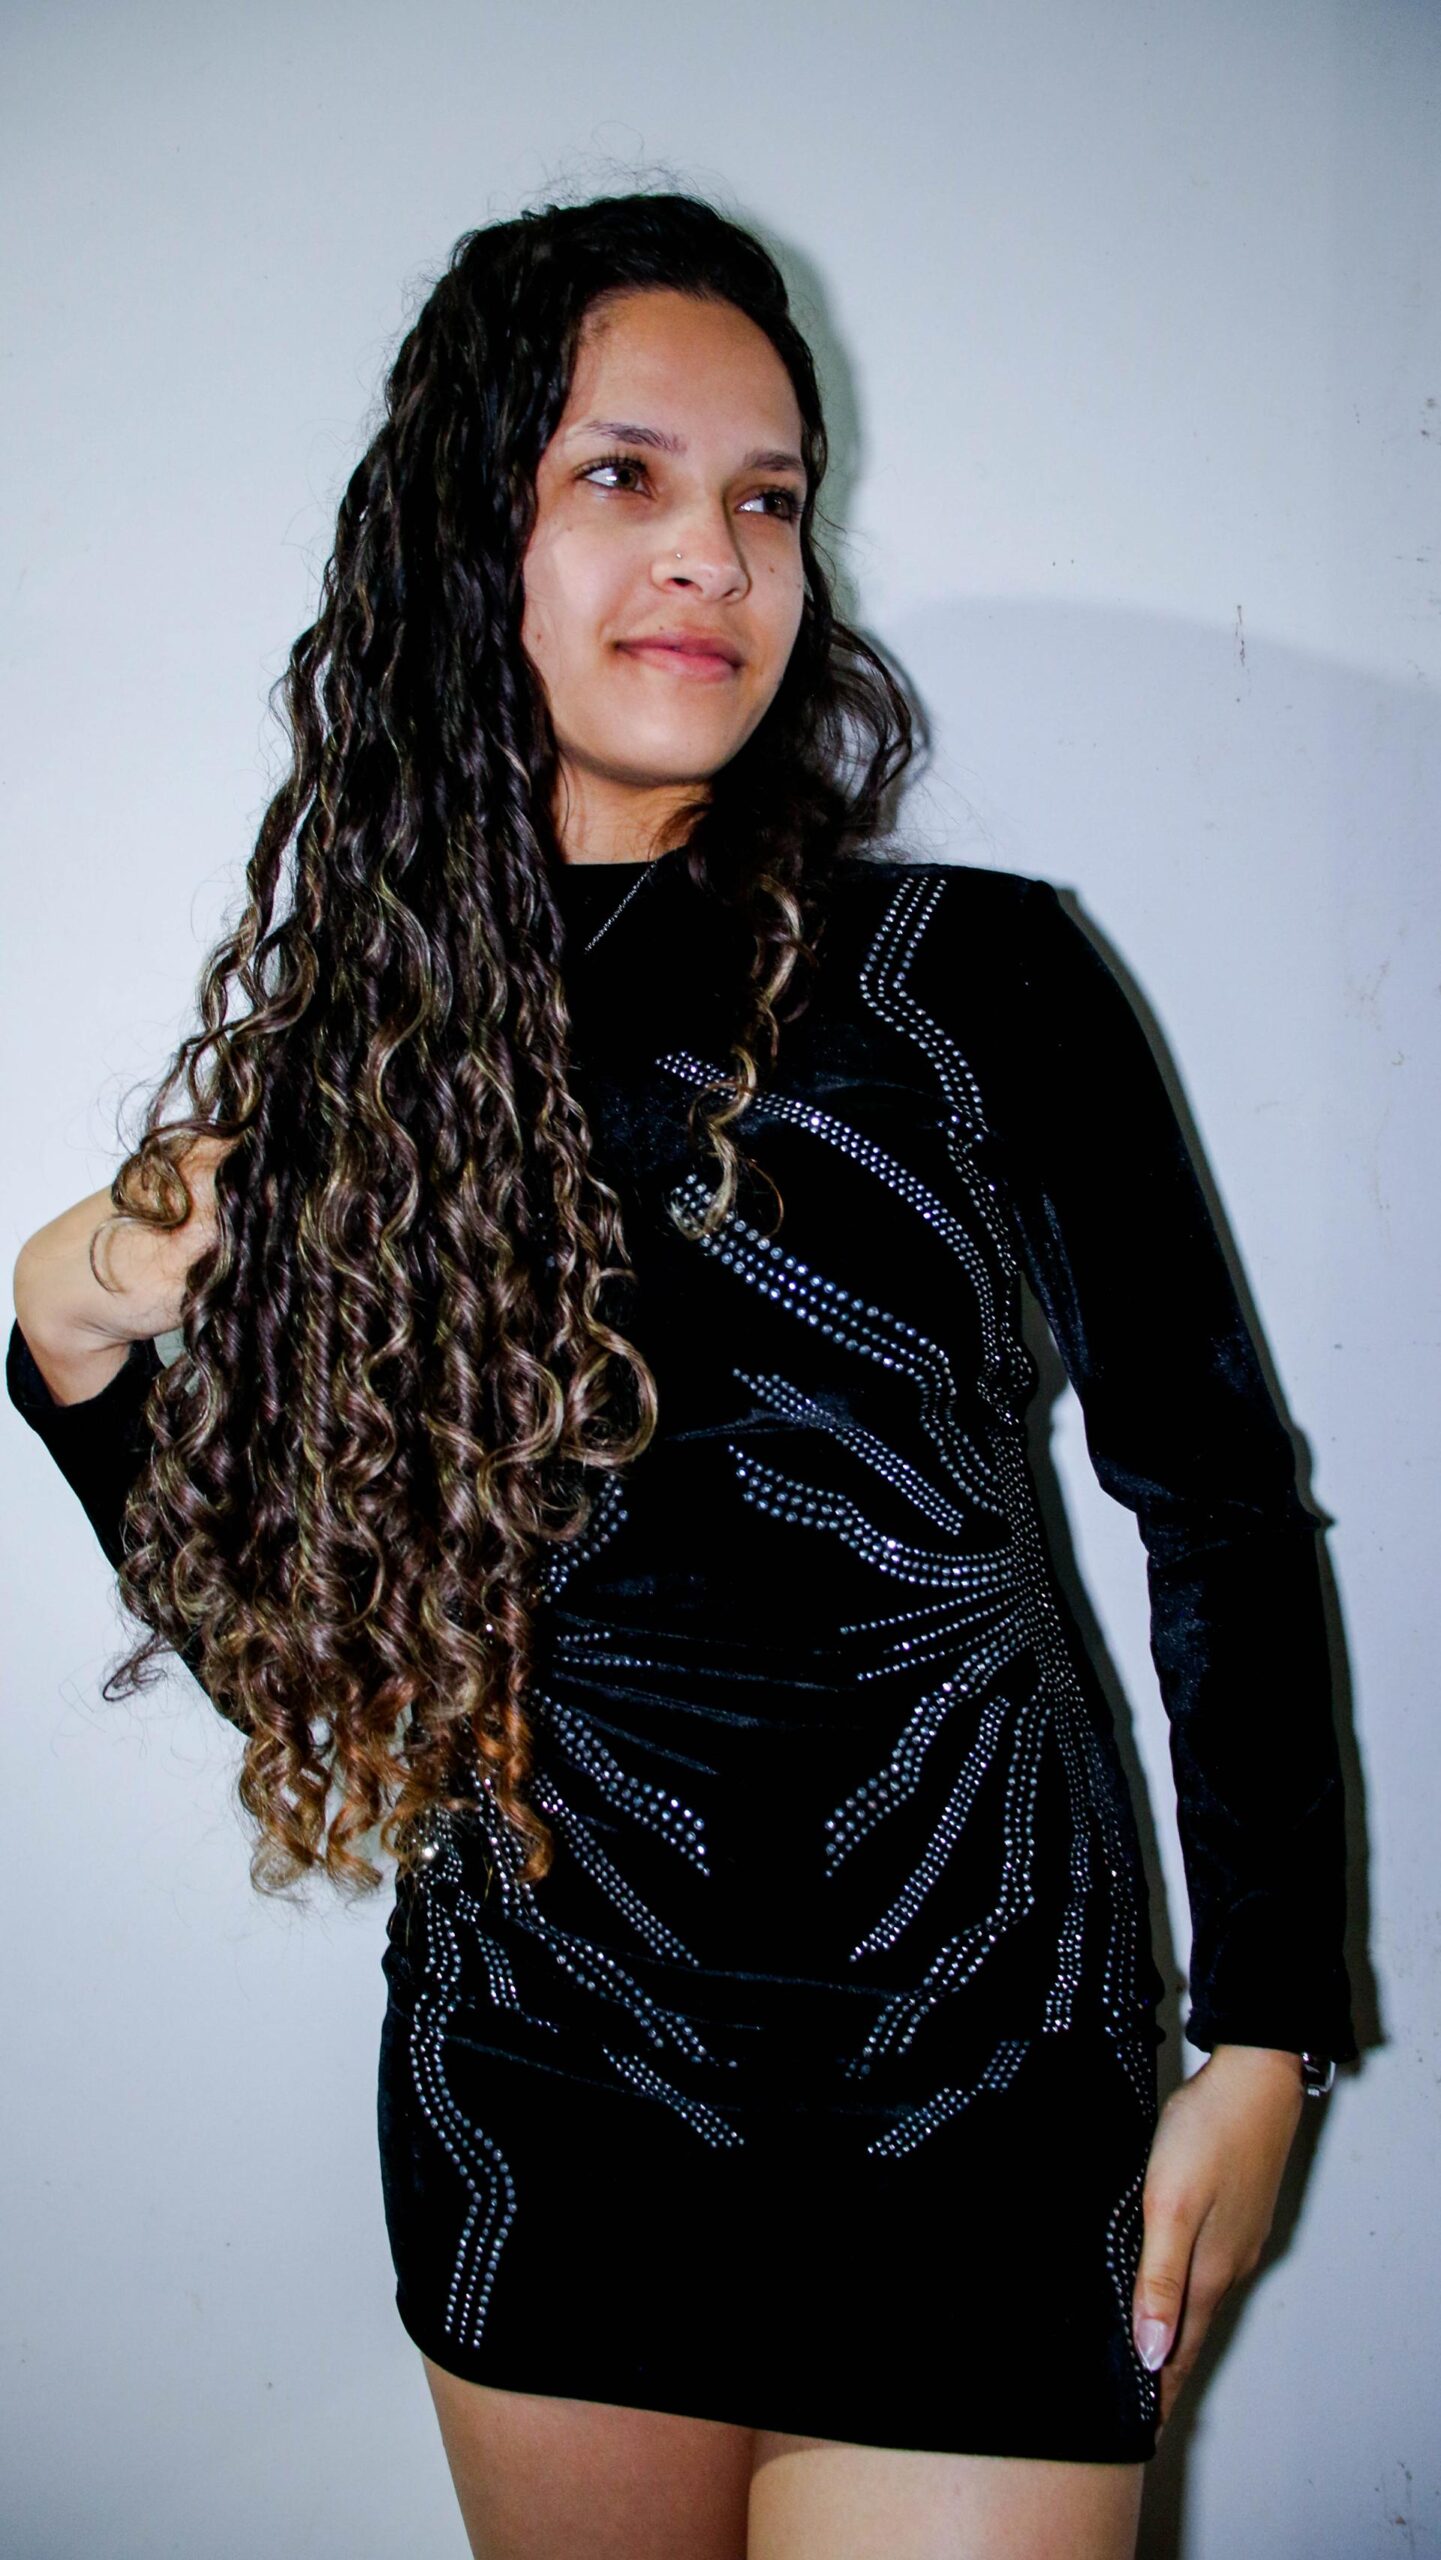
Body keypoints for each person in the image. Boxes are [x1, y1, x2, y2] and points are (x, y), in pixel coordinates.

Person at [8, 189, 1354, 2560]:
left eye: (767, 497)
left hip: (986, 2099)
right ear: (476, 539)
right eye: (621, 474)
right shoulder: (371, 1066)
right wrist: (73, 1357)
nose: (713, 557)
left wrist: (1265, 2036)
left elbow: (1219, 1504)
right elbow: (326, 1671)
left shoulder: (980, 976)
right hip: (545, 2104)